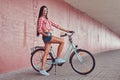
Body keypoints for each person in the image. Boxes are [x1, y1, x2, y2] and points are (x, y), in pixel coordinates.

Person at [37, 5, 72, 76]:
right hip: (47, 36)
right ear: (41, 11)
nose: (45, 12)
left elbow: (57, 26)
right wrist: (45, 34)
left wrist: (67, 30)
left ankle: (42, 69)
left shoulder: (47, 20)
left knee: (46, 53)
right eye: (44, 10)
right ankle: (58, 58)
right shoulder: (41, 18)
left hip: (48, 35)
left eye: (46, 10)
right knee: (62, 41)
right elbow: (39, 29)